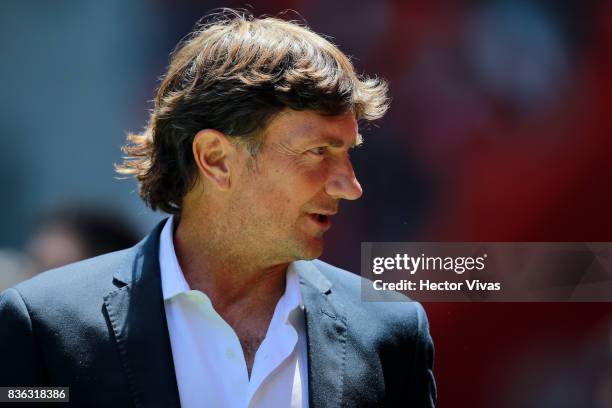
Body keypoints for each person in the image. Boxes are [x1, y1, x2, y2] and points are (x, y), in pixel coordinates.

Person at [0, 10, 436, 407]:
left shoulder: (392, 334)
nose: (351, 186)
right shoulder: (43, 326)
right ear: (215, 158)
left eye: (347, 153)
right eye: (319, 151)